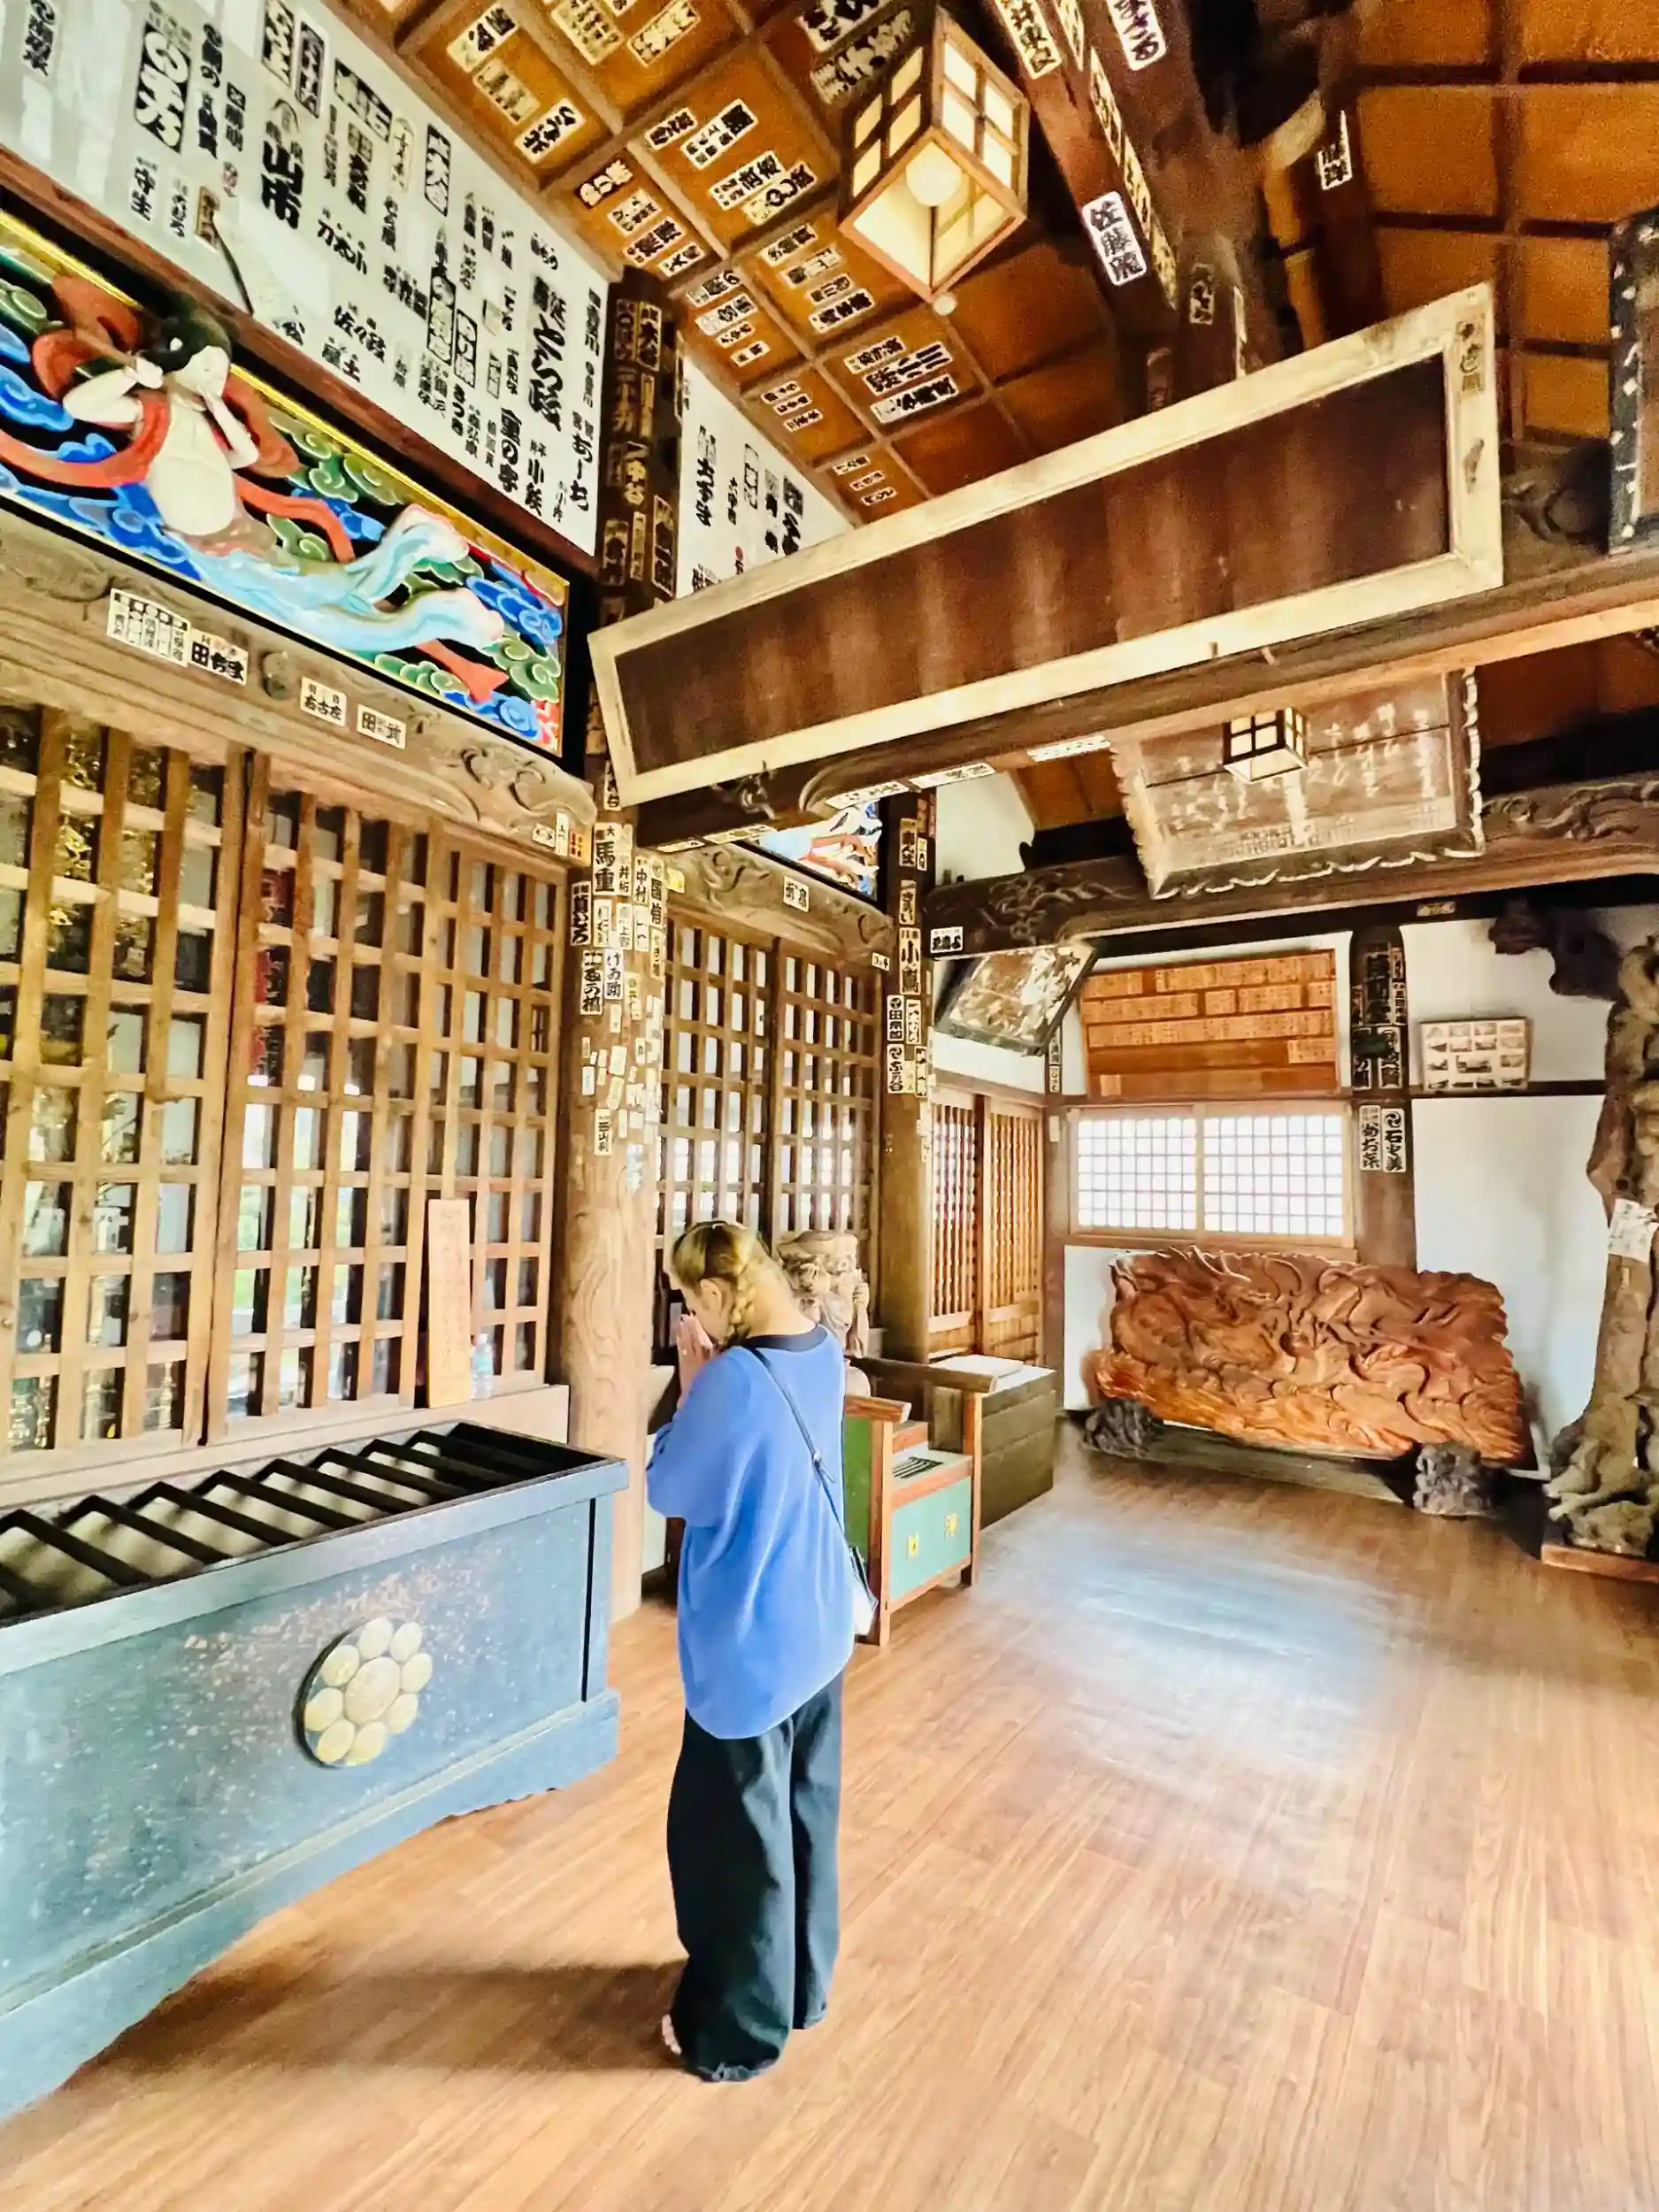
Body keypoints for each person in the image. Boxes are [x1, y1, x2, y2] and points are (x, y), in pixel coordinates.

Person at [647, 1219, 856, 2083]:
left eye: (690, 1299)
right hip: (820, 1623)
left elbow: (669, 1488)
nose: (690, 1316)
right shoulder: (822, 1351)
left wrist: (692, 1390)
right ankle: (800, 1988)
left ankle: (736, 2031)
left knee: (733, 1849)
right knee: (803, 1817)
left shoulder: (733, 1379)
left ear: (717, 1293)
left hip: (752, 1645)